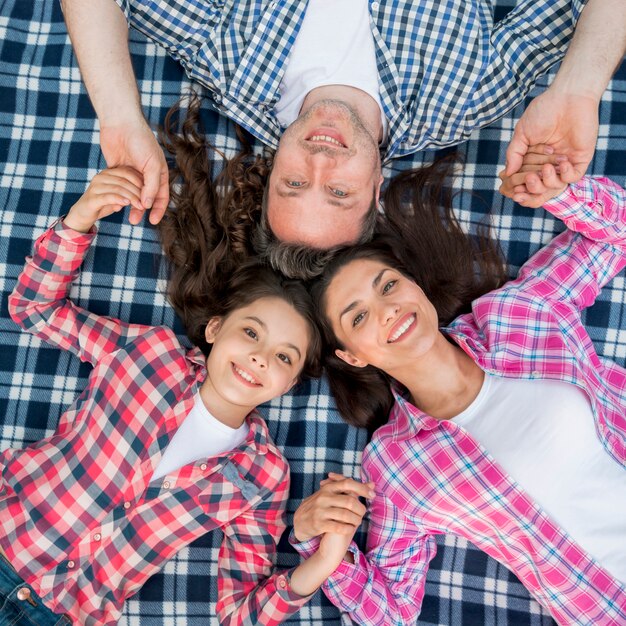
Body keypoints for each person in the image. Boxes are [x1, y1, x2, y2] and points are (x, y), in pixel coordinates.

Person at [0, 166, 372, 625]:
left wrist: (320, 565)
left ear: (291, 382)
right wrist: (80, 219)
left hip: (60, 613)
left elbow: (239, 613)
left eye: (283, 357)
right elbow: (34, 309)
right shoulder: (148, 353)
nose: (259, 358)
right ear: (215, 329)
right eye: (250, 332)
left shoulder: (264, 475)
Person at [291, 157, 626, 624]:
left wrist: (561, 193)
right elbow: (392, 610)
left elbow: (616, 231)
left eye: (388, 285)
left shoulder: (519, 312)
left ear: (416, 287)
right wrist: (319, 542)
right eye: (359, 317)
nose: (386, 310)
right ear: (352, 356)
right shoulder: (398, 467)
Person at [59, 0, 626, 253]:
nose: (319, 160)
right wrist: (579, 87)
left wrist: (120, 117)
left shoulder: (231, 65)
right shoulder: (467, 97)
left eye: (294, 183)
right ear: (376, 192)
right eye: (337, 191)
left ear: (270, 168)